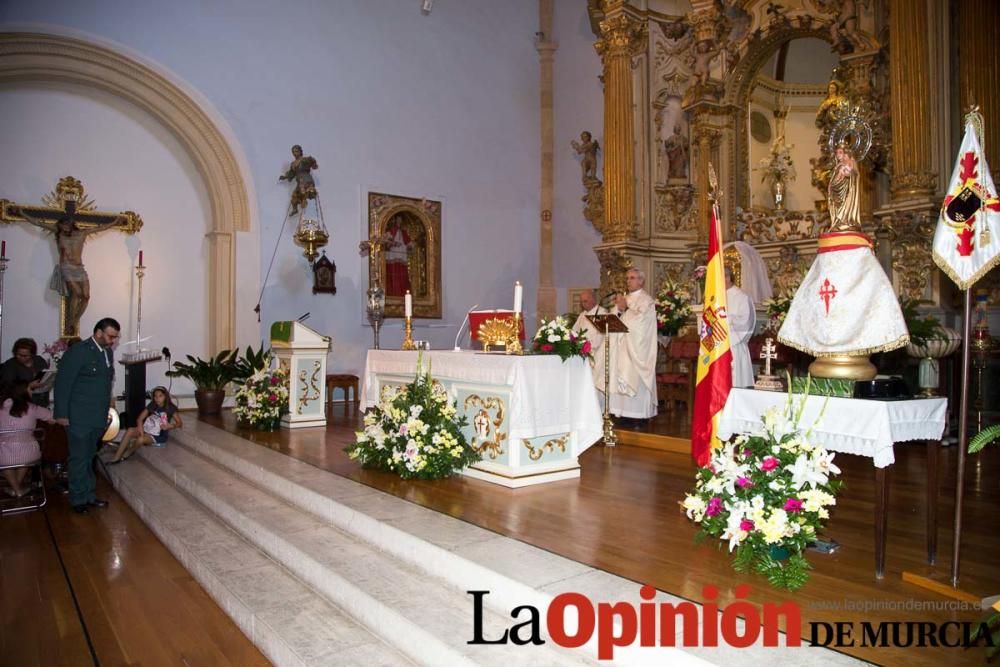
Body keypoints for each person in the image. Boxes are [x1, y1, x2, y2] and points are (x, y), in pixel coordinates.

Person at [53, 317, 119, 514]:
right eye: (110, 336)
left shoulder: (106, 352)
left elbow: (104, 384)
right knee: (79, 459)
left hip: (97, 416)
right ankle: (78, 498)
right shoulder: (78, 352)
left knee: (90, 457)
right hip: (79, 417)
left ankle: (89, 495)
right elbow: (63, 384)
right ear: (99, 332)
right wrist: (62, 414)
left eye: (115, 337)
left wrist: (107, 409)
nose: (113, 341)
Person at [592, 269, 658, 424]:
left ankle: (638, 418)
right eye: (627, 278)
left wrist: (625, 309)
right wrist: (618, 312)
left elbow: (642, 326)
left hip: (635, 350)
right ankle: (619, 414)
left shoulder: (646, 301)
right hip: (619, 347)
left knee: (631, 376)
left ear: (641, 281)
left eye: (632, 278)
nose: (629, 281)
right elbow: (615, 319)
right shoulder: (624, 299)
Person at [0, 380, 55, 497]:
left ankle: (16, 489)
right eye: (30, 389)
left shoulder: (1, 408)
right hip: (29, 452)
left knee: (4, 460)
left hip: (3, 452)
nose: (31, 392)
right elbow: (52, 418)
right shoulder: (32, 408)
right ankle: (17, 489)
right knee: (24, 454)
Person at [110, 386, 181, 463]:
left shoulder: (170, 408)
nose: (157, 398)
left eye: (160, 396)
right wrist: (141, 431)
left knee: (140, 439)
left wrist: (171, 426)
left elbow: (180, 423)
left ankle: (128, 453)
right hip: (147, 428)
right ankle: (116, 457)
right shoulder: (152, 405)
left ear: (166, 397)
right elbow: (139, 419)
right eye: (155, 396)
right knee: (130, 430)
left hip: (159, 435)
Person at [725, 266, 756, 388]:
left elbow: (746, 321)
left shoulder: (742, 297)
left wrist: (725, 318)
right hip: (718, 347)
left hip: (735, 347)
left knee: (735, 383)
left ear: (728, 278)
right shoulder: (715, 297)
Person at [0, 338, 50, 407]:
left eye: (26, 356)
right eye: (18, 355)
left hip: (41, 399)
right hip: (19, 403)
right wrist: (28, 386)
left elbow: (46, 374)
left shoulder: (39, 360)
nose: (22, 357)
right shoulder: (10, 364)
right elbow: (6, 386)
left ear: (32, 354)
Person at [827, 142, 861, 232]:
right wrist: (832, 185)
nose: (838, 155)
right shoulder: (838, 166)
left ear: (846, 153)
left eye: (840, 152)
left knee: (846, 204)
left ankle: (846, 221)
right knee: (837, 206)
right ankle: (839, 222)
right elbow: (835, 179)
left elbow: (854, 174)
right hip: (837, 191)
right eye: (837, 153)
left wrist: (847, 173)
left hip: (847, 190)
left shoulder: (850, 162)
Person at [278, 144, 319, 215]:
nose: (295, 153)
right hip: (299, 180)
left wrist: (314, 164)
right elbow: (291, 173)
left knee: (303, 190)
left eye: (296, 151)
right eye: (293, 152)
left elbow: (312, 161)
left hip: (306, 178)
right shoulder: (293, 164)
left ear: (300, 151)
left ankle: (305, 200)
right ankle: (295, 209)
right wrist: (285, 177)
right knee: (294, 195)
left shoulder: (304, 160)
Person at [572, 289, 609, 357]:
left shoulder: (602, 313)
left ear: (593, 300)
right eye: (582, 302)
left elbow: (601, 337)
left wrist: (587, 346)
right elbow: (574, 331)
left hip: (597, 353)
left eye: (585, 301)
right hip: (582, 351)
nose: (583, 304)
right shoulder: (582, 315)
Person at [384, 215, 412, 297]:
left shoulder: (403, 232)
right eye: (398, 219)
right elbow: (385, 242)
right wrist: (394, 243)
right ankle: (393, 293)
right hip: (393, 254)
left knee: (402, 274)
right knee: (393, 272)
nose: (399, 221)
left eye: (400, 219)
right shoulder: (391, 231)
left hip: (402, 254)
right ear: (395, 220)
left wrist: (410, 246)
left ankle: (402, 293)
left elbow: (409, 243)